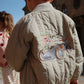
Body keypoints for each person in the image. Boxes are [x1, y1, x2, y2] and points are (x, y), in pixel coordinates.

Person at [5, 0, 83, 84]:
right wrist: (75, 77)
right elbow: (77, 54)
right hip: (65, 80)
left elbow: (14, 61)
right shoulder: (67, 20)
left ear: (28, 1)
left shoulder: (24, 23)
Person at [0, 11, 20, 84]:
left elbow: (2, 48)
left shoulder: (2, 34)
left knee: (9, 82)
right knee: (16, 81)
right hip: (15, 63)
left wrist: (2, 61)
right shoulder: (13, 33)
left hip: (7, 64)